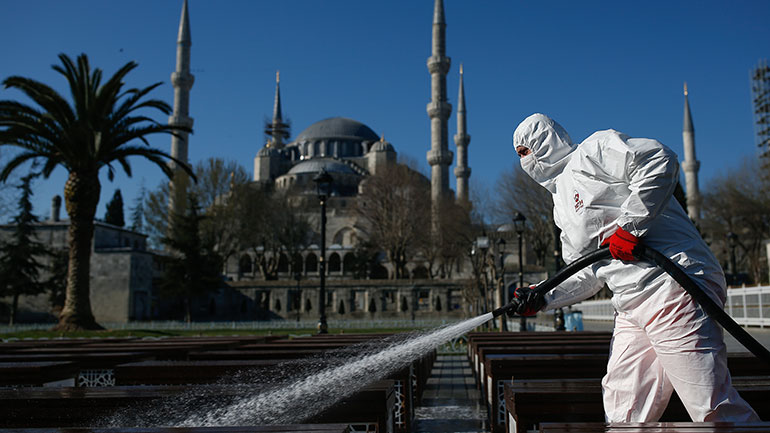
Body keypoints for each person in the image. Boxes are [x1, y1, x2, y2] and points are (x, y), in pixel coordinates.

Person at [510, 113, 759, 422]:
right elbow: (587, 273)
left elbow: (659, 160)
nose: (525, 161)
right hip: (629, 304)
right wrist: (544, 296)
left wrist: (630, 227)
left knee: (710, 407)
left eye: (525, 150)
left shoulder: (593, 152)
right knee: (624, 411)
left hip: (671, 284)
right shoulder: (560, 207)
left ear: (544, 142)